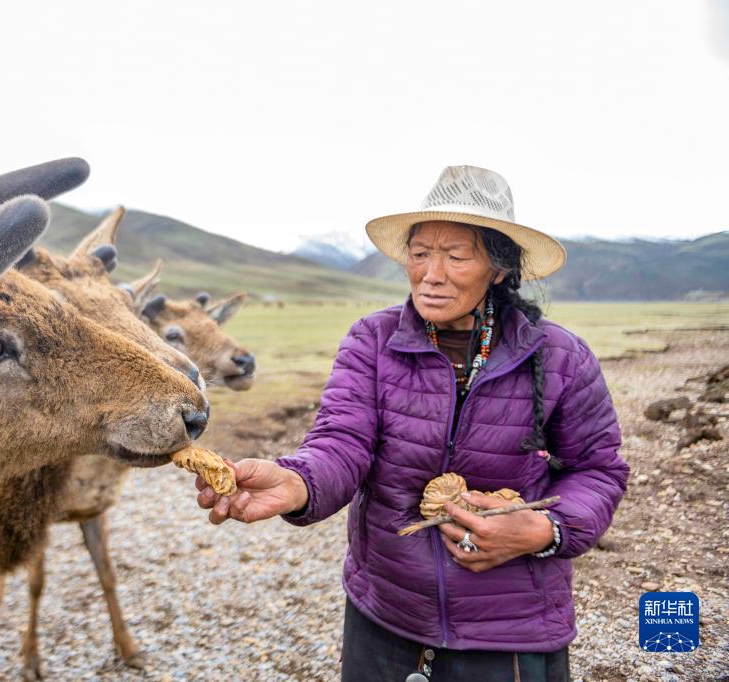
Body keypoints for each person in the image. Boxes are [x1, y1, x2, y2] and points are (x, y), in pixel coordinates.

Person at [195, 166, 629, 681]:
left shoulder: (561, 357)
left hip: (511, 625)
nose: (432, 273)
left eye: (456, 255)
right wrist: (296, 482)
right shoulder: (373, 340)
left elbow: (598, 470)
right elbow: (342, 441)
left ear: (499, 268)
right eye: (420, 253)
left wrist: (540, 530)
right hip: (387, 612)